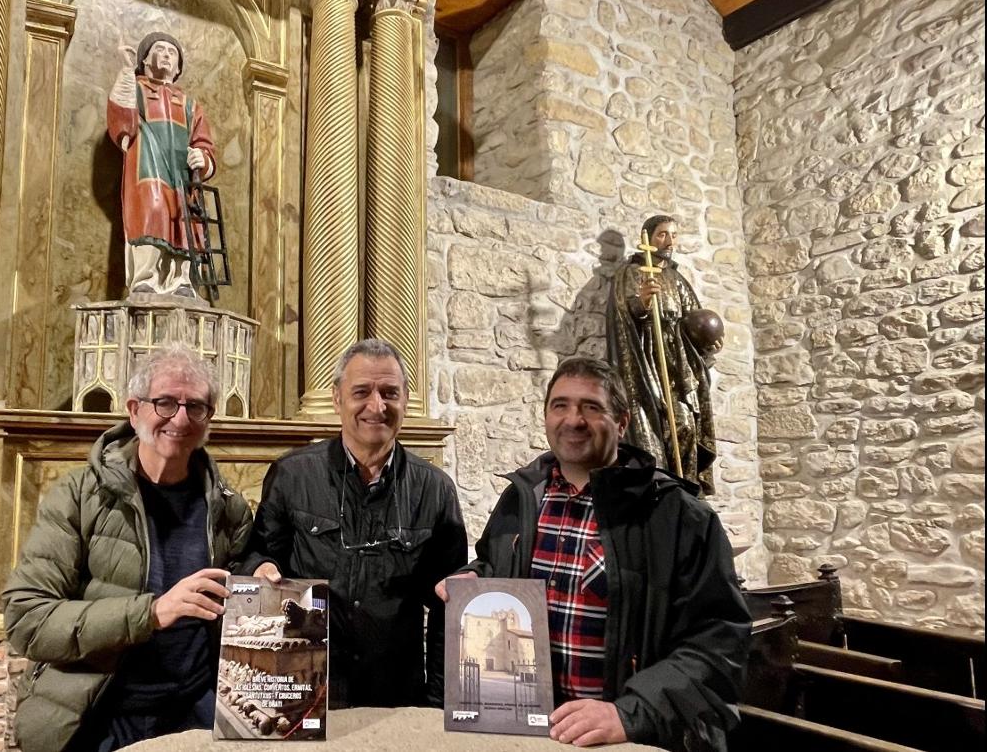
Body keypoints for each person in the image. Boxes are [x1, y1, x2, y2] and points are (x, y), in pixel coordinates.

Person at [436, 357, 749, 751]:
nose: (573, 419)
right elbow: (493, 563)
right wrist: (476, 578)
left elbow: (720, 642)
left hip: (629, 738)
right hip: (532, 734)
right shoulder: (521, 500)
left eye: (591, 406)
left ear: (622, 421)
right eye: (560, 405)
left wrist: (631, 713)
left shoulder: (678, 516)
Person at [3, 345, 252, 752]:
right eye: (166, 403)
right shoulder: (79, 495)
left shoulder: (229, 508)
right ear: (135, 410)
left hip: (195, 711)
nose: (181, 418)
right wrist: (151, 613)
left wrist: (264, 575)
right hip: (102, 712)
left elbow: (242, 598)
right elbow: (26, 619)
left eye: (196, 406)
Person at [238, 338, 467, 708]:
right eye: (362, 391)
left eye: (390, 393)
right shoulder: (291, 475)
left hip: (395, 694)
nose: (377, 406)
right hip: (306, 687)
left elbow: (449, 602)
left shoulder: (435, 489)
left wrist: (440, 699)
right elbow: (258, 553)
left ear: (406, 399)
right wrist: (260, 567)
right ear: (336, 398)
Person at [606, 215, 719, 495]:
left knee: (686, 425)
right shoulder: (631, 273)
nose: (669, 241)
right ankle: (664, 493)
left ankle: (688, 493)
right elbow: (624, 315)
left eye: (673, 235)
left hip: (679, 365)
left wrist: (708, 345)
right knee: (654, 432)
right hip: (647, 363)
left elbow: (696, 320)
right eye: (662, 235)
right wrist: (642, 303)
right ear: (647, 237)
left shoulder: (676, 278)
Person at [107, 31, 216, 297]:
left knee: (185, 221)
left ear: (178, 67)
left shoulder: (190, 105)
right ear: (144, 59)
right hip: (148, 168)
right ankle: (146, 277)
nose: (166, 55)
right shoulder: (137, 89)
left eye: (172, 52)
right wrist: (125, 71)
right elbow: (122, 119)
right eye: (160, 49)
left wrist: (202, 158)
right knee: (151, 213)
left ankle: (183, 279)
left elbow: (204, 142)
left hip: (182, 177)